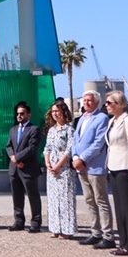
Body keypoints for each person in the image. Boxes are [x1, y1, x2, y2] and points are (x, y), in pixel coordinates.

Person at [71, 91, 113, 247]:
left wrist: (83, 158)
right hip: (80, 166)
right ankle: (95, 232)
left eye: (90, 100)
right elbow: (76, 140)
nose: (86, 103)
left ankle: (108, 235)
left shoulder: (101, 118)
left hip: (95, 166)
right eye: (85, 100)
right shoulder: (82, 118)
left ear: (97, 102)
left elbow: (99, 142)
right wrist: (75, 157)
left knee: (101, 200)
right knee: (89, 200)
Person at [104, 90, 128, 255]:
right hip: (114, 166)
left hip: (125, 167)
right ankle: (123, 241)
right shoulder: (112, 121)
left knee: (127, 207)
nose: (107, 105)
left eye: (110, 102)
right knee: (119, 207)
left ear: (119, 104)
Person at [43, 100, 77, 239]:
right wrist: (48, 163)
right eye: (53, 111)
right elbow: (47, 148)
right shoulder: (51, 130)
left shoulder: (69, 130)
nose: (55, 114)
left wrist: (58, 166)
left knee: (66, 199)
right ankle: (55, 227)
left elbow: (69, 150)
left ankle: (67, 229)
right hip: (52, 169)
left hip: (64, 169)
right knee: (53, 199)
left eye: (58, 111)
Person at [6, 101, 42, 233]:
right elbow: (9, 146)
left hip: (28, 169)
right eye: (17, 114)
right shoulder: (13, 129)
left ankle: (36, 222)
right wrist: (13, 159)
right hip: (14, 169)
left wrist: (18, 158)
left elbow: (32, 147)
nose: (19, 116)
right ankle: (19, 221)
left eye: (22, 113)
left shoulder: (34, 129)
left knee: (33, 196)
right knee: (17, 196)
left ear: (29, 115)